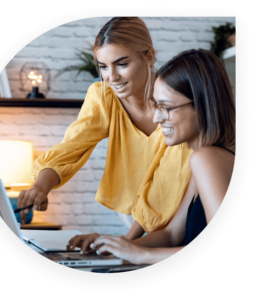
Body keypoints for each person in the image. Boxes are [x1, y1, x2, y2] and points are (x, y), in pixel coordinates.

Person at [18, 16, 192, 241]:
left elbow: (171, 179)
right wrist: (40, 187)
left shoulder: (179, 100)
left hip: (191, 218)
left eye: (122, 64)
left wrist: (125, 243)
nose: (112, 77)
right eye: (103, 67)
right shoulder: (104, 97)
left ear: (149, 56)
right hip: (153, 230)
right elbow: (73, 146)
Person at [85, 49, 236, 264]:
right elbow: (172, 234)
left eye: (166, 107)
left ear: (201, 105)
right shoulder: (208, 156)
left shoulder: (206, 158)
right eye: (156, 105)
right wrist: (114, 247)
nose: (157, 117)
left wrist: (141, 255)